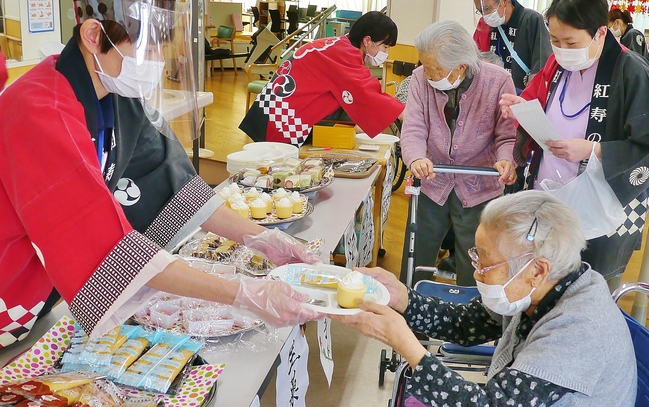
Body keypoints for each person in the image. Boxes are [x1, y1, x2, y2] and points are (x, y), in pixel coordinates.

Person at [0, 0, 321, 349]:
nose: (157, 61)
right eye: (147, 47)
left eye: (161, 47)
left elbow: (174, 187)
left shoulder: (115, 92)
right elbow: (104, 243)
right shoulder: (38, 111)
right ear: (94, 34)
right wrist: (243, 295)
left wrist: (260, 238)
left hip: (40, 288)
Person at [337, 190, 637, 407]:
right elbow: (466, 324)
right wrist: (402, 298)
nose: (477, 273)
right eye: (475, 256)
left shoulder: (578, 330)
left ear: (537, 269)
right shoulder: (541, 289)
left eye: (485, 263)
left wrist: (408, 347)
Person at [500, 0, 649, 284]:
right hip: (549, 196)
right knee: (541, 284)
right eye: (554, 39)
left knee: (587, 295)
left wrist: (594, 149)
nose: (562, 50)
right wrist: (523, 107)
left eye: (570, 41)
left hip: (598, 209)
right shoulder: (557, 63)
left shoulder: (630, 70)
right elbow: (538, 101)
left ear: (601, 33)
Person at [398, 21, 517, 287]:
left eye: (434, 68)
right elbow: (414, 126)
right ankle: (411, 310)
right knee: (417, 253)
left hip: (479, 184)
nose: (427, 73)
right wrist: (416, 157)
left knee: (474, 259)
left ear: (461, 66)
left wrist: (506, 159)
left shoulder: (499, 81)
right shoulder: (419, 79)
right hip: (432, 178)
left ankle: (468, 318)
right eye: (424, 65)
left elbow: (507, 134)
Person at [239, 11, 404, 146]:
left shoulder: (340, 45)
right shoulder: (344, 53)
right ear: (367, 40)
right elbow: (365, 90)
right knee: (280, 174)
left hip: (273, 105)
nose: (386, 53)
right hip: (280, 114)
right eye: (385, 46)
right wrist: (403, 112)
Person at [473, 0, 552, 93]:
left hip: (521, 97)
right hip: (493, 96)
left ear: (505, 2)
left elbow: (541, 67)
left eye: (487, 9)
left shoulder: (531, 20)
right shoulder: (485, 24)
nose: (485, 15)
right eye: (481, 11)